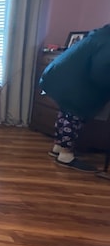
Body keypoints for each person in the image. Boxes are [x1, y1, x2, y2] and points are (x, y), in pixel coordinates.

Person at [39, 24, 110, 172]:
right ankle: (65, 155)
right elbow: (100, 72)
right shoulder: (107, 41)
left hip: (57, 76)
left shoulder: (99, 35)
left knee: (66, 112)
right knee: (74, 115)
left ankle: (58, 148)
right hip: (71, 82)